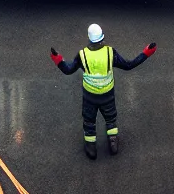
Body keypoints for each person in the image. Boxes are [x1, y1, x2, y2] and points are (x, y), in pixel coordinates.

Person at [50, 23, 156, 159]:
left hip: (90, 96)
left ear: (89, 38)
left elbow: (68, 69)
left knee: (89, 121)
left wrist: (57, 58)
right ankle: (113, 143)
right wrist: (146, 53)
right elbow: (128, 65)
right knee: (110, 119)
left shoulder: (83, 55)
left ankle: (91, 149)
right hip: (107, 94)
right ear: (102, 38)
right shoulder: (110, 52)